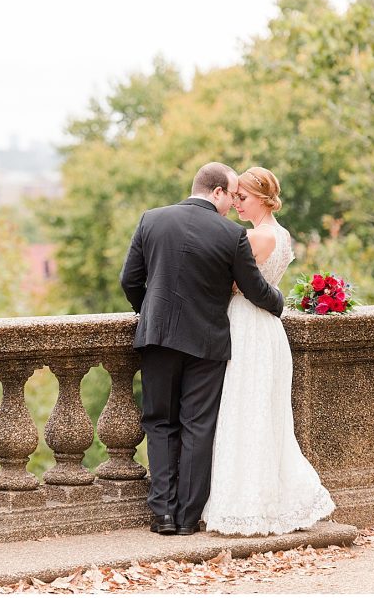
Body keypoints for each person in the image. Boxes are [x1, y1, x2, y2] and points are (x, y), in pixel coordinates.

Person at [119, 162, 284, 536]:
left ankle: (161, 513)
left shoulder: (151, 220)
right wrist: (279, 303)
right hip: (206, 342)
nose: (232, 205)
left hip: (158, 338)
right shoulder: (231, 235)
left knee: (159, 422)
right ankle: (187, 518)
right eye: (231, 196)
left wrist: (149, 313)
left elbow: (129, 279)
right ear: (217, 193)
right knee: (198, 425)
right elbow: (255, 288)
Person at [202, 166, 335, 535]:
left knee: (246, 408)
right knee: (259, 408)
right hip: (265, 327)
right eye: (235, 197)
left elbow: (232, 285)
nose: (237, 204)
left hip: (248, 325)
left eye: (242, 197)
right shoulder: (282, 233)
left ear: (260, 197)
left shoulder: (257, 238)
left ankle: (250, 504)